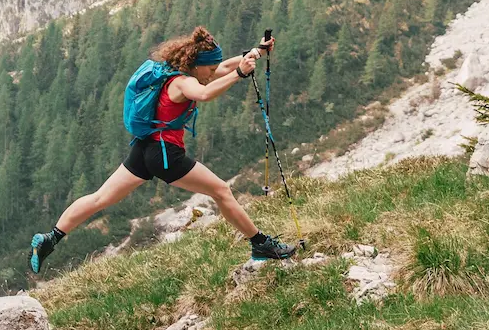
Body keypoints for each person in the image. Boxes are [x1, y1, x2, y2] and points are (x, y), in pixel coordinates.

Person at [29, 26, 297, 273]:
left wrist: (255, 52)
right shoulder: (183, 83)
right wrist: (239, 74)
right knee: (221, 191)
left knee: (100, 198)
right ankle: (261, 244)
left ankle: (51, 238)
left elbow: (221, 69)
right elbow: (206, 92)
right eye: (210, 67)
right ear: (197, 65)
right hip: (165, 154)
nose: (212, 72)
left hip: (145, 148)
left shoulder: (172, 72)